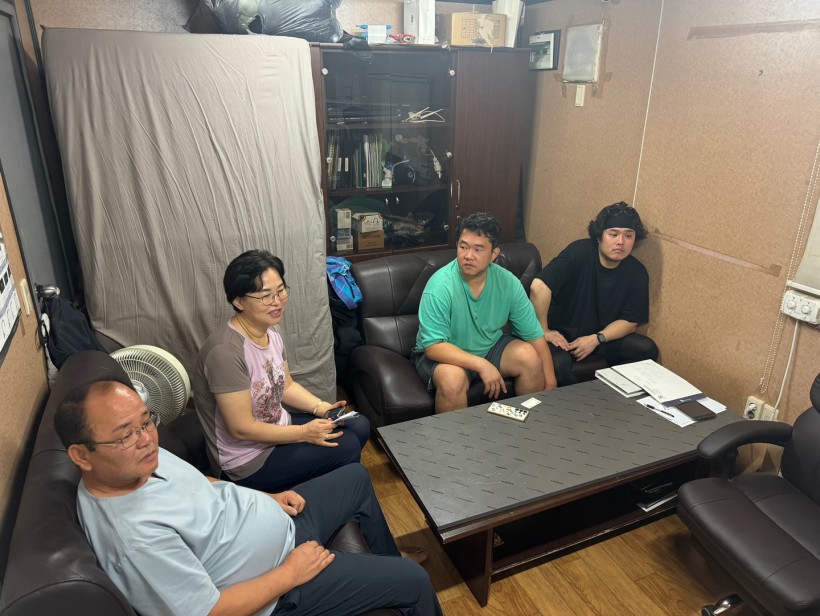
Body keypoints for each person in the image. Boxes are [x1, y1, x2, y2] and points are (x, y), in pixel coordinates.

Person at [54, 380, 442, 616]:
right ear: (81, 455)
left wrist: (266, 497)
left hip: (279, 522)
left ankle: (385, 563)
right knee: (415, 582)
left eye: (146, 421)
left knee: (355, 477)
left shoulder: (137, 460)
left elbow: (203, 482)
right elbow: (208, 610)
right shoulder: (133, 539)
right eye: (126, 434)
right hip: (278, 587)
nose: (145, 438)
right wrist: (290, 574)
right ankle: (396, 581)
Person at [192, 250, 370, 493]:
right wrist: (303, 433)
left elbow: (286, 386)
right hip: (247, 461)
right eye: (266, 296)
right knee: (346, 446)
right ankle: (326, 501)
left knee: (357, 425)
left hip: (278, 428)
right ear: (238, 301)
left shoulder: (270, 330)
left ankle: (325, 488)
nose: (277, 301)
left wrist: (322, 408)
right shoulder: (225, 353)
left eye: (280, 291)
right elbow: (240, 428)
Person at [412, 212, 557, 413]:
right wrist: (481, 365)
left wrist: (550, 383)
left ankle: (526, 428)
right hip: (445, 354)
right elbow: (434, 347)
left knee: (529, 358)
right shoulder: (440, 286)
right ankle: (454, 435)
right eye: (463, 247)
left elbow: (534, 336)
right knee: (452, 380)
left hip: (489, 346)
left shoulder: (508, 282)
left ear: (494, 254)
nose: (468, 256)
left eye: (478, 249)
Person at [530, 201, 659, 386]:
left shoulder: (636, 272)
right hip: (560, 335)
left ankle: (611, 395)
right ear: (599, 236)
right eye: (613, 234)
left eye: (628, 235)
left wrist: (597, 339)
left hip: (599, 337)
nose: (620, 242)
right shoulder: (579, 252)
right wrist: (544, 330)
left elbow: (630, 322)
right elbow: (538, 287)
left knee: (646, 349)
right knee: (558, 364)